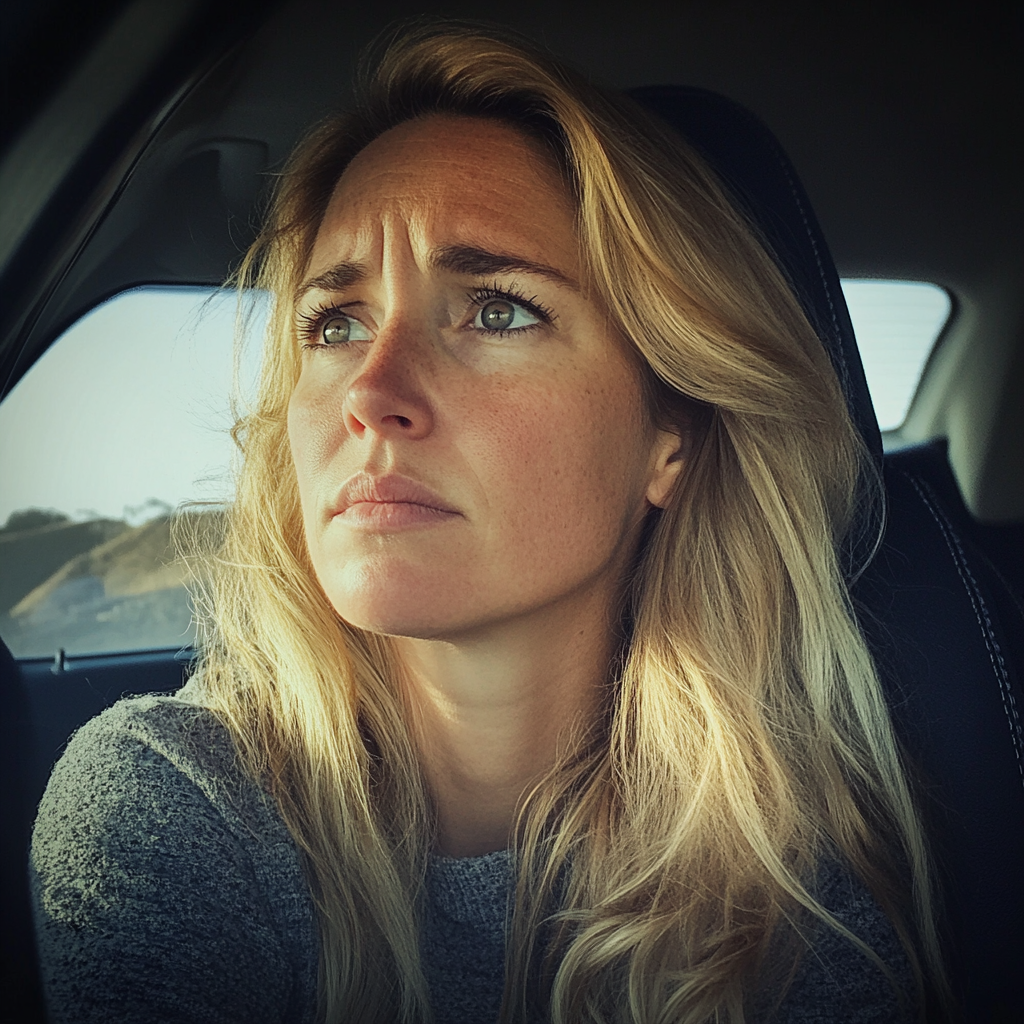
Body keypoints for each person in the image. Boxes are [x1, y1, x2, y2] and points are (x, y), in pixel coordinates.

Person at [30, 24, 950, 1024]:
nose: (371, 393)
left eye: (497, 310)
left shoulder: (786, 882)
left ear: (670, 437)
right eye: (335, 323)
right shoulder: (171, 810)